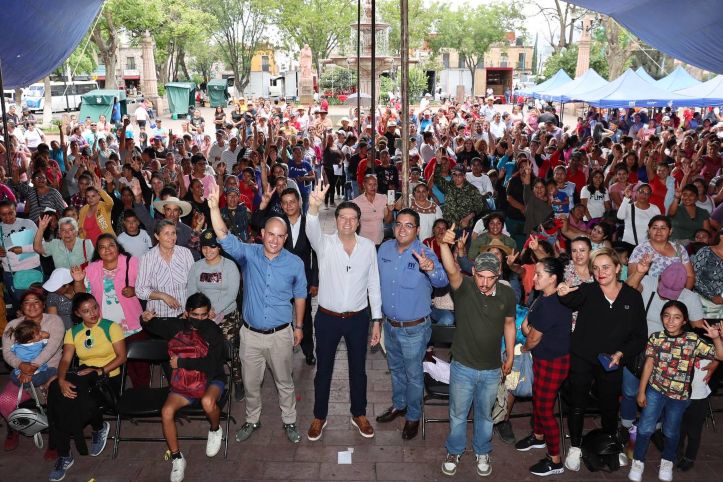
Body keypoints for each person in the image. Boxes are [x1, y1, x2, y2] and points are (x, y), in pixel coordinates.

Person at [208, 184, 307, 445]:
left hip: (280, 335)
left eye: (280, 236)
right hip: (250, 336)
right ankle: (252, 419)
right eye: (270, 234)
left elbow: (300, 295)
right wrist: (212, 208)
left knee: (284, 382)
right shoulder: (249, 254)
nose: (274, 240)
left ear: (286, 238)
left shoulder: (295, 263)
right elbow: (223, 236)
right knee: (252, 384)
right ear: (262, 234)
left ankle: (290, 421)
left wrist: (298, 327)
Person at [556, 248, 647, 472]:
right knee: (577, 403)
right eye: (595, 268)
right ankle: (575, 446)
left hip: (612, 361)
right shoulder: (588, 290)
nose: (600, 272)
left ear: (618, 269)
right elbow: (570, 299)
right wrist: (563, 292)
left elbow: (639, 336)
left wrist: (621, 353)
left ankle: (612, 446)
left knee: (608, 406)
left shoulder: (632, 297)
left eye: (606, 267)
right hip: (583, 356)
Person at [437, 224, 516, 478]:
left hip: (492, 369)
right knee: (458, 414)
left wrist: (511, 354)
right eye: (480, 276)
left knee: (485, 416)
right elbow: (451, 269)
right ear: (473, 272)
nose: (483, 282)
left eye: (489, 277)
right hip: (462, 367)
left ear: (498, 273)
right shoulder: (465, 288)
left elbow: (509, 323)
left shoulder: (507, 293)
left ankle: (482, 451)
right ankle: (455, 450)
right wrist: (444, 245)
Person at [305, 183, 382, 441]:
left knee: (358, 369)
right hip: (327, 318)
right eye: (342, 217)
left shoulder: (368, 247)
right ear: (336, 220)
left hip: (358, 319)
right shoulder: (324, 244)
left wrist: (377, 320)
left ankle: (359, 413)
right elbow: (310, 228)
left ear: (359, 222)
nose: (347, 222)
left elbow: (374, 284)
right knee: (324, 369)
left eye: (352, 218)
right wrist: (314, 207)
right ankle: (319, 416)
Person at [628, 302, 723, 482]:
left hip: (679, 396)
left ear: (684, 321)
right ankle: (638, 462)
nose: (671, 321)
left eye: (677, 317)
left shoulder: (692, 340)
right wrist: (641, 391)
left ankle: (667, 461)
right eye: (667, 315)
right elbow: (648, 364)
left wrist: (716, 338)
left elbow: (720, 356)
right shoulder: (655, 338)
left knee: (671, 431)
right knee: (645, 428)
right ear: (662, 317)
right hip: (655, 390)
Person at [375, 208, 448, 440]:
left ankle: (414, 416)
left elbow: (442, 280)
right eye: (399, 224)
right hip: (390, 325)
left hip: (415, 329)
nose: (402, 229)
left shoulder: (424, 253)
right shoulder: (384, 249)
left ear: (417, 230)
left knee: (414, 374)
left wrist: (431, 269)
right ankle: (400, 404)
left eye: (409, 225)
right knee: (396, 370)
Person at [140, 293, 227, 482]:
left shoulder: (213, 331)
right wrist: (145, 319)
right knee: (166, 411)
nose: (200, 319)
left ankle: (215, 429)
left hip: (211, 379)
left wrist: (182, 362)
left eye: (204, 315)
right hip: (184, 382)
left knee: (207, 402)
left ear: (209, 313)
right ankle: (177, 458)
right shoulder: (176, 326)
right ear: (187, 313)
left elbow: (212, 365)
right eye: (196, 315)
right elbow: (152, 326)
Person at [47, 293, 126, 481]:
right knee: (56, 394)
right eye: (86, 311)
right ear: (77, 313)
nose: (92, 313)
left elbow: (121, 357)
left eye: (94, 308)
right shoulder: (73, 332)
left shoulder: (110, 327)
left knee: (74, 399)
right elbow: (66, 359)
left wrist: (99, 370)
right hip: (83, 376)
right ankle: (64, 454)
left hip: (107, 378)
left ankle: (97, 428)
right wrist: (60, 380)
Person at [622, 259, 705, 431]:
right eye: (664, 290)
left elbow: (700, 331)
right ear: (659, 278)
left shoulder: (690, 298)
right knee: (630, 391)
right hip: (638, 347)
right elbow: (626, 290)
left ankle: (655, 428)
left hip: (669, 353)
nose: (666, 296)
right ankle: (626, 425)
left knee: (659, 394)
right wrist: (638, 272)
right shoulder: (647, 282)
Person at [516, 257, 572, 476]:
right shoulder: (545, 296)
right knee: (539, 400)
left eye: (539, 274)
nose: (534, 277)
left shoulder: (551, 304)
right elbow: (528, 324)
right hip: (545, 357)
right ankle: (538, 437)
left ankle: (555, 459)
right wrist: (528, 328)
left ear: (553, 278)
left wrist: (526, 342)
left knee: (544, 409)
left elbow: (532, 338)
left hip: (552, 362)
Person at [252, 187, 319, 366]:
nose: (289, 205)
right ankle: (283, 349)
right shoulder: (277, 225)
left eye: (292, 201)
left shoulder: (309, 223)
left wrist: (314, 281)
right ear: (281, 206)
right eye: (285, 202)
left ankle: (308, 351)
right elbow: (257, 221)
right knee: (282, 314)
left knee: (304, 316)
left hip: (302, 279)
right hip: (279, 279)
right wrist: (263, 204)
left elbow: (316, 254)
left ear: (299, 203)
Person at [76, 234, 148, 388]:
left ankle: (142, 394)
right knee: (112, 367)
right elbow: (82, 296)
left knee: (139, 365)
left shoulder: (132, 262)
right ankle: (116, 400)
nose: (107, 249)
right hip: (106, 327)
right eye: (102, 247)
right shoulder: (92, 268)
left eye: (111, 245)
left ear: (117, 247)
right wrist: (78, 281)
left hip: (132, 325)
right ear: (98, 251)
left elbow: (148, 286)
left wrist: (135, 290)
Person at [1, 288, 64, 452]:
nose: (32, 306)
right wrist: (22, 366)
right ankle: (14, 428)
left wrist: (32, 367)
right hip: (20, 371)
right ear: (21, 307)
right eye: (27, 303)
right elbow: (7, 352)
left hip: (49, 369)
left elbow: (51, 348)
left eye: (36, 302)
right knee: (4, 401)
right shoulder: (12, 325)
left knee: (54, 401)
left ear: (43, 305)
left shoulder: (54, 321)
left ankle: (54, 439)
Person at [186, 230, 243, 400]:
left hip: (226, 316)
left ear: (218, 247)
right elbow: (191, 291)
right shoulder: (197, 267)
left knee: (230, 350)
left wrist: (213, 310)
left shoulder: (230, 266)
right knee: (201, 350)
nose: (208, 251)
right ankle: (209, 381)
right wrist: (200, 313)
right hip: (201, 317)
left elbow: (232, 294)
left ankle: (238, 381)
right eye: (204, 247)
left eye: (212, 247)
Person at [135, 220, 195, 318]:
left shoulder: (185, 253)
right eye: (166, 234)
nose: (171, 238)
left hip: (185, 313)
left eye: (173, 233)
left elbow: (194, 283)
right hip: (159, 315)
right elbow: (140, 290)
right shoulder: (148, 257)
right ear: (157, 236)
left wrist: (191, 309)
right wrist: (163, 296)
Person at [629, 215, 695, 288]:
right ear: (649, 230)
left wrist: (683, 295)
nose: (659, 231)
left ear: (670, 231)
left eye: (663, 228)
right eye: (654, 228)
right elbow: (632, 279)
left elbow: (690, 276)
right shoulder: (641, 249)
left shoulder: (679, 249)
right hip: (649, 294)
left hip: (677, 294)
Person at [0, 200, 43, 306]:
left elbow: (42, 246)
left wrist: (23, 249)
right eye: (3, 215)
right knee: (22, 306)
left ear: (16, 210)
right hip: (12, 274)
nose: (8, 217)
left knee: (37, 304)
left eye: (11, 213)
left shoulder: (28, 223)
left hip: (33, 270)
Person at [690, 229, 723, 320]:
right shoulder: (706, 251)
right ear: (721, 237)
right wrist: (712, 297)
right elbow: (694, 277)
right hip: (704, 303)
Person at [353, 174, 393, 246]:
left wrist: (390, 211)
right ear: (364, 185)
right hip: (363, 243)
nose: (373, 187)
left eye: (375, 184)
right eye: (370, 184)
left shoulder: (383, 198)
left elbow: (388, 221)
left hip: (379, 241)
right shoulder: (356, 202)